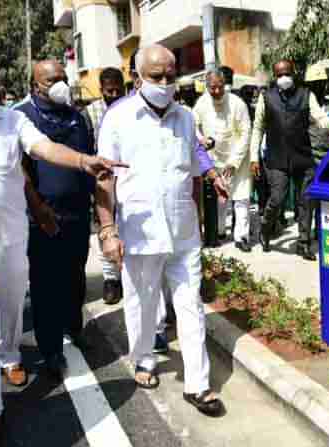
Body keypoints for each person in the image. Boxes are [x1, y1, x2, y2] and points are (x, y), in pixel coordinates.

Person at [0, 53, 122, 441]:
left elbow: (43, 148)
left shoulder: (12, 119)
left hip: (10, 235)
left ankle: (10, 355)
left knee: (10, 306)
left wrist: (82, 161)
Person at [95, 44, 224, 416]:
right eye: (156, 77)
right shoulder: (118, 118)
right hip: (140, 228)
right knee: (142, 301)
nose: (165, 83)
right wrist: (108, 230)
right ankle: (144, 359)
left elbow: (193, 171)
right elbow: (104, 181)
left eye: (171, 76)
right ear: (137, 77)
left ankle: (198, 385)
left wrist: (199, 218)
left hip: (183, 229)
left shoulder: (185, 117)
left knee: (190, 304)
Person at [16, 60, 98, 377]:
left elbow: (88, 162)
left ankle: (74, 328)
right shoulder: (23, 117)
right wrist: (37, 207)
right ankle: (50, 349)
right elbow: (21, 171)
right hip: (43, 216)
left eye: (63, 77)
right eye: (52, 80)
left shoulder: (77, 117)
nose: (60, 84)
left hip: (78, 214)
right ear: (35, 85)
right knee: (46, 285)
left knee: (75, 277)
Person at [249, 59, 329, 259]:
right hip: (276, 158)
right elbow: (258, 127)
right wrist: (254, 157)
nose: (283, 78)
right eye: (279, 75)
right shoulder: (266, 97)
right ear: (274, 76)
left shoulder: (306, 95)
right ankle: (265, 228)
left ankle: (303, 243)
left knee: (306, 201)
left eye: (286, 73)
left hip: (303, 156)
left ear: (293, 73)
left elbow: (319, 117)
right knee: (277, 198)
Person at [194, 70, 253, 252]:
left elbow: (246, 133)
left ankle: (241, 236)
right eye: (213, 88)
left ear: (225, 84)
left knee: (242, 197)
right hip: (214, 158)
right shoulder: (202, 103)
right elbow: (193, 125)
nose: (217, 91)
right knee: (220, 198)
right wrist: (201, 138)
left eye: (220, 87)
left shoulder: (238, 104)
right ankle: (219, 231)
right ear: (207, 86)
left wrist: (234, 161)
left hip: (237, 157)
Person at [85, 67, 127, 305]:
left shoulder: (133, 108)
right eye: (108, 91)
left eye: (117, 90)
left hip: (128, 181)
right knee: (106, 230)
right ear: (101, 90)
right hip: (102, 183)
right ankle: (111, 280)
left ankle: (128, 276)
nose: (113, 94)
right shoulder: (90, 113)